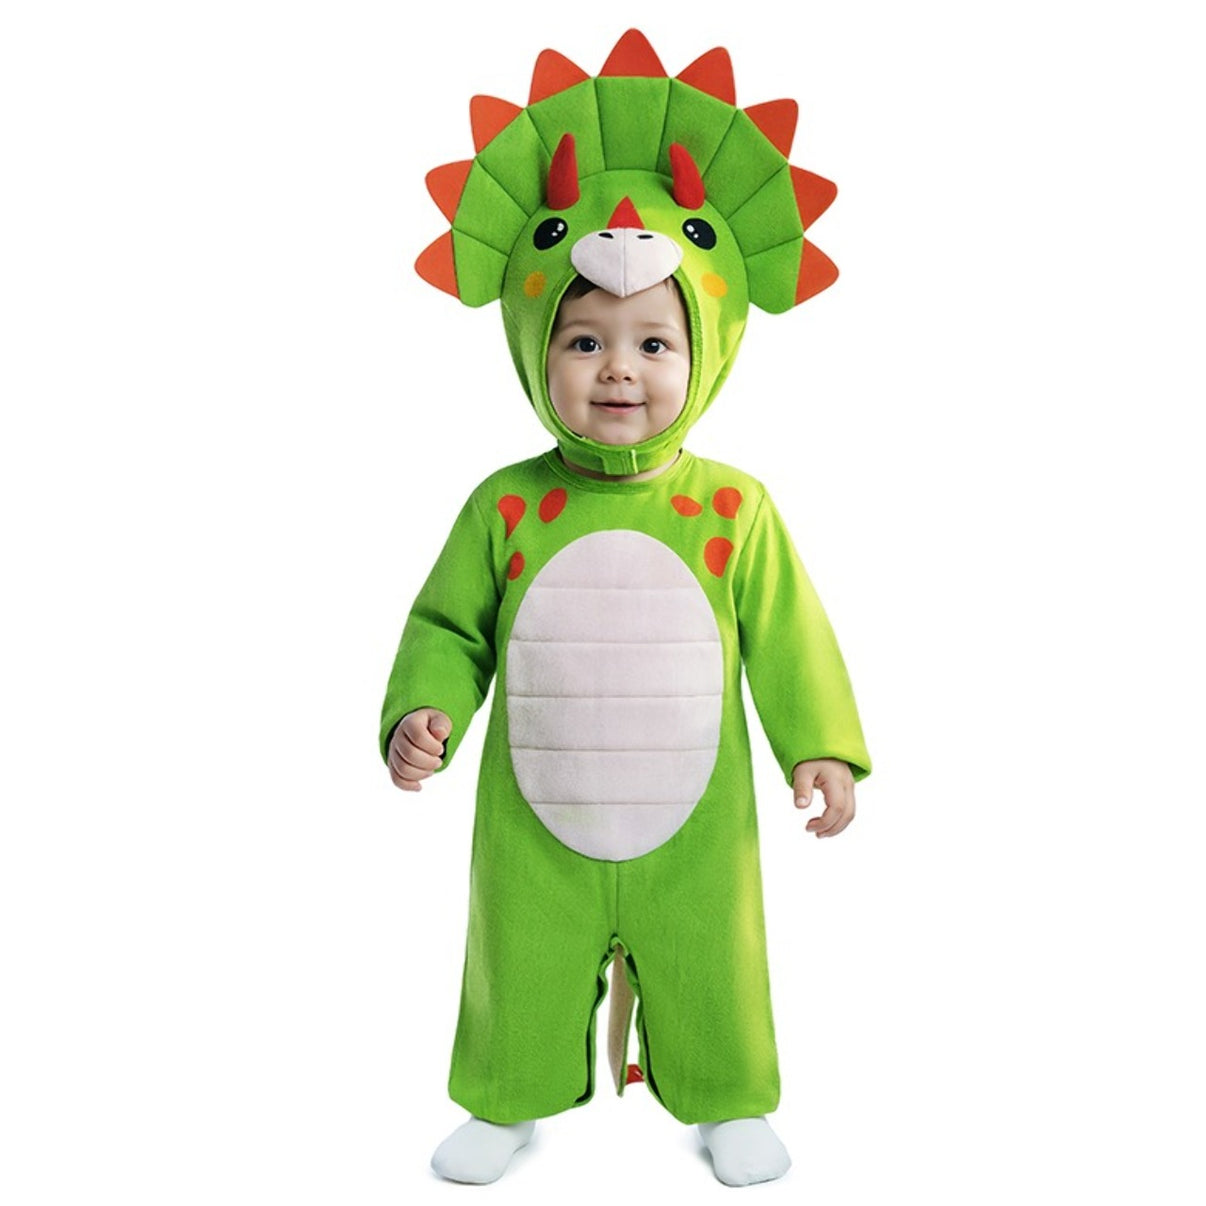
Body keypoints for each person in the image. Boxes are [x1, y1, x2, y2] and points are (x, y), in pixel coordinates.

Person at [381, 267, 870, 1185]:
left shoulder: (734, 508)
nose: (617, 368)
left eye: (653, 343)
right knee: (518, 954)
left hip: (697, 820)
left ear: (705, 356)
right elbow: (448, 627)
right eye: (583, 341)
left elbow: (790, 635)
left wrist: (820, 746)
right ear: (535, 352)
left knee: (713, 952)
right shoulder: (505, 506)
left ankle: (730, 1099)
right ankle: (503, 1097)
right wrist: (425, 706)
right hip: (535, 818)